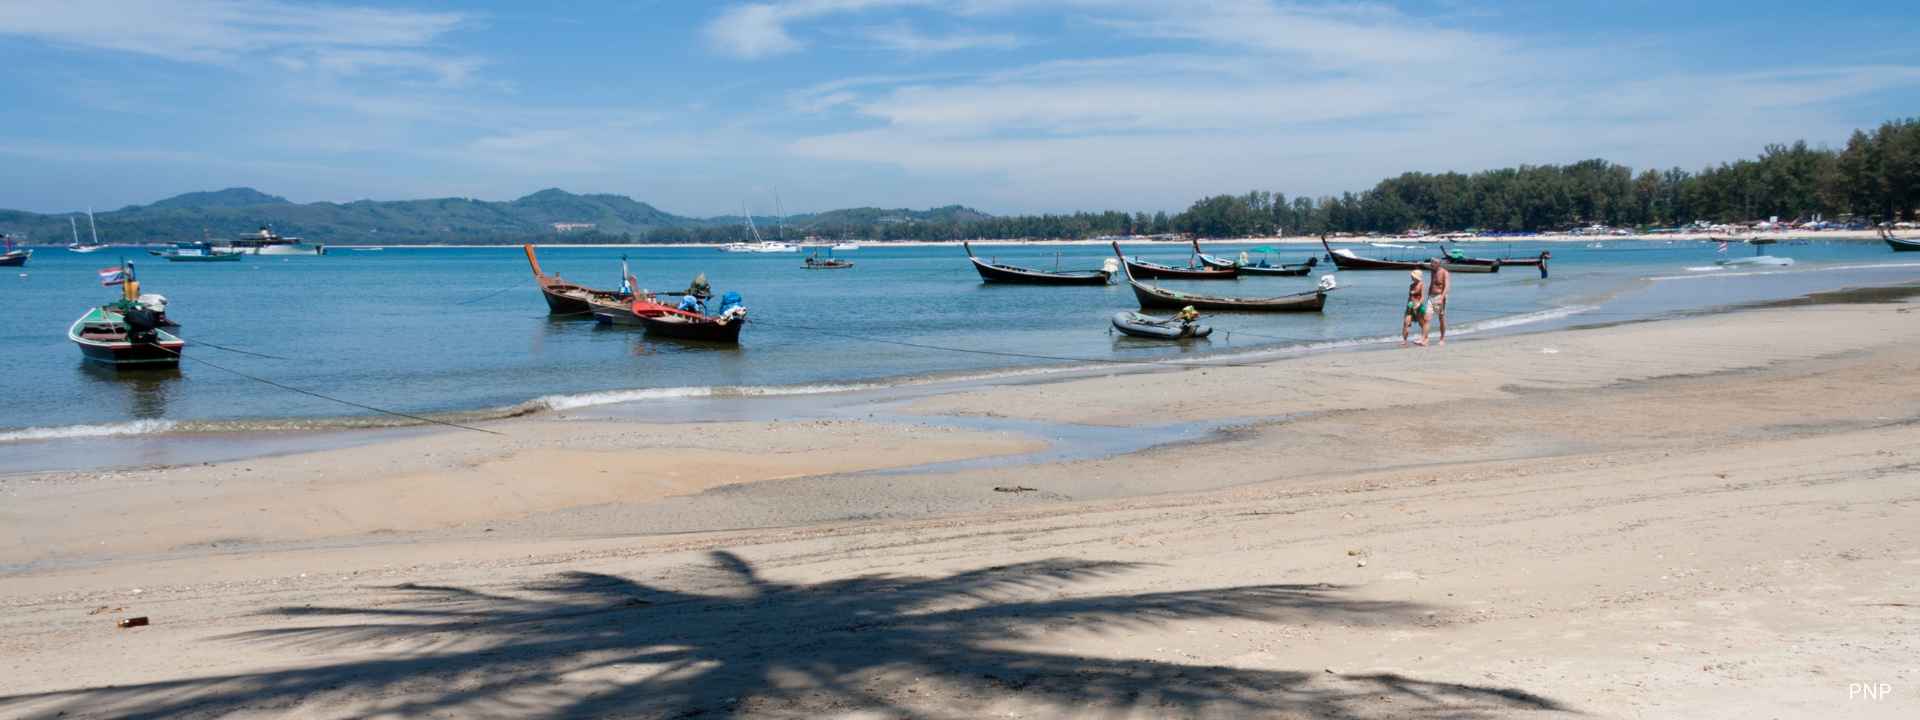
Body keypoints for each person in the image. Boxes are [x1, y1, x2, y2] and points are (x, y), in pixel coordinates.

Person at [1402, 268, 1429, 347]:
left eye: (1413, 276)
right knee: (1406, 323)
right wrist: (1407, 307)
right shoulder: (1411, 285)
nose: (1411, 277)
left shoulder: (1421, 284)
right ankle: (1404, 340)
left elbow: (1423, 296)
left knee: (1422, 323)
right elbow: (1410, 297)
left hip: (1419, 305)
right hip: (1410, 305)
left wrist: (1418, 305)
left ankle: (1424, 339)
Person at [1427, 259, 1451, 345]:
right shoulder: (1432, 271)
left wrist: (1442, 298)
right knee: (1427, 317)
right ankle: (1425, 338)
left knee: (1441, 318)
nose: (1431, 265)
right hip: (1431, 296)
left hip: (1440, 296)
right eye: (1431, 264)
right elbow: (1432, 283)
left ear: (1438, 264)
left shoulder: (1445, 272)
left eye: (1432, 264)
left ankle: (1442, 338)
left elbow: (1447, 287)